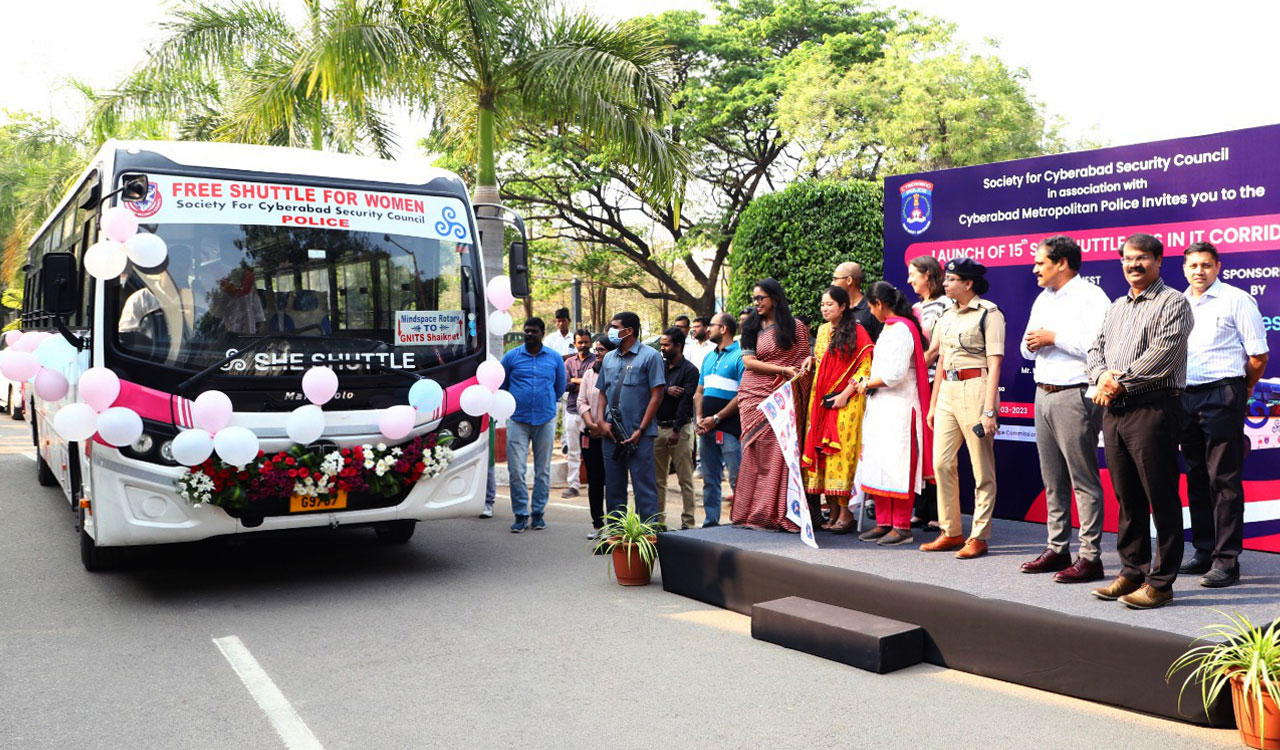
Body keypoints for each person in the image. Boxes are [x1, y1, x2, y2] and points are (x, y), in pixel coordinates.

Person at [1086, 233, 1193, 609]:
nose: (1134, 264)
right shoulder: (1116, 307)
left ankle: (1161, 582)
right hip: (1114, 412)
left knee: (1159, 496)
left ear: (1159, 261)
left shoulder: (1173, 302)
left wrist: (1117, 382)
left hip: (1153, 409)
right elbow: (1095, 349)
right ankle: (1132, 570)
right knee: (1127, 496)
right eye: (1128, 258)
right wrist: (1100, 377)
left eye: (1142, 258)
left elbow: (1164, 354)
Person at [1018, 236, 1112, 583]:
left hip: (1076, 394)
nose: (1035, 269)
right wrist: (1034, 343)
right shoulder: (1043, 297)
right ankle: (1058, 548)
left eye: (1040, 262)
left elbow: (1099, 348)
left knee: (1082, 478)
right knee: (1052, 479)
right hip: (1042, 392)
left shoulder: (1091, 297)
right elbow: (1027, 348)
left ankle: (1090, 556)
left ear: (1061, 263)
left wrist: (1054, 337)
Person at [1178, 241, 1269, 588]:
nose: (1198, 271)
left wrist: (1241, 390)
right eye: (1192, 265)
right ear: (1184, 269)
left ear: (1218, 267)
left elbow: (1258, 355)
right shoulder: (1179, 302)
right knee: (1197, 477)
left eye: (1205, 265)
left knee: (1224, 480)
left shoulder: (1236, 299)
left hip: (1222, 392)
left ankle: (1227, 561)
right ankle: (1203, 551)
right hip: (1185, 395)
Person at [921, 258, 1005, 559]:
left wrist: (989, 410)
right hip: (947, 391)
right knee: (942, 463)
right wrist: (933, 404)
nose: (945, 284)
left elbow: (995, 363)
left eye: (951, 279)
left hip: (976, 388)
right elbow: (941, 360)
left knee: (981, 468)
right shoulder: (946, 315)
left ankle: (979, 536)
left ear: (968, 283)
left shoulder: (989, 313)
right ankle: (951, 531)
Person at [856, 282, 933, 546]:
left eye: (870, 305)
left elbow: (896, 375)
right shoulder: (890, 329)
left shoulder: (901, 329)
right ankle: (884, 522)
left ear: (879, 303)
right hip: (884, 405)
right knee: (881, 462)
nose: (869, 310)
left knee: (899, 465)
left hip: (900, 406)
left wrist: (866, 383)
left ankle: (901, 527)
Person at [731, 279, 812, 531]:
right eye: (754, 298)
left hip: (785, 394)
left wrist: (802, 367)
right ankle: (750, 513)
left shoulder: (795, 326)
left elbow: (801, 360)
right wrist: (781, 369)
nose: (756, 303)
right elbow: (749, 363)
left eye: (761, 298)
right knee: (755, 452)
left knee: (780, 452)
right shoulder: (750, 327)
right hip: (754, 395)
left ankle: (774, 513)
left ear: (775, 298)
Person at [801, 286, 874, 533]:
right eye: (822, 304)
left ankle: (846, 512)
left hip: (848, 400)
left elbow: (864, 369)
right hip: (821, 399)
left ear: (843, 306)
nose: (824, 308)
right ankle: (831, 511)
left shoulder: (858, 332)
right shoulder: (821, 331)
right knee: (823, 453)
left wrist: (844, 395)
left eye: (830, 304)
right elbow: (822, 362)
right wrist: (811, 360)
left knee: (842, 453)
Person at [500, 317, 567, 533]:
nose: (529, 335)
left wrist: (543, 401)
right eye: (526, 331)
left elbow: (559, 388)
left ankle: (538, 513)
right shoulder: (511, 357)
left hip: (545, 419)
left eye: (534, 331)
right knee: (516, 470)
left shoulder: (555, 358)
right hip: (517, 419)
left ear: (542, 333)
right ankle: (520, 514)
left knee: (542, 471)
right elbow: (503, 385)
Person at [597, 312, 666, 522]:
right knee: (614, 491)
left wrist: (641, 430)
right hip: (611, 434)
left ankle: (648, 540)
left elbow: (657, 395)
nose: (610, 330)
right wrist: (600, 420)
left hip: (639, 436)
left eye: (615, 326)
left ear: (629, 330)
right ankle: (617, 539)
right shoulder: (608, 357)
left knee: (644, 490)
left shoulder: (650, 356)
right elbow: (602, 391)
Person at [906, 255, 950, 530]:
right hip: (915, 383)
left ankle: (938, 512)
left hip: (936, 383)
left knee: (937, 446)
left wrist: (919, 370)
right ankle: (920, 509)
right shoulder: (913, 308)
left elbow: (935, 350)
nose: (910, 280)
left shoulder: (945, 306)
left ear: (929, 275)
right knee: (919, 445)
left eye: (914, 274)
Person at [695, 312, 744, 527]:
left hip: (730, 429)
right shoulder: (708, 357)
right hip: (705, 429)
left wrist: (716, 418)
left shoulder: (740, 356)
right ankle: (710, 523)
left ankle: (742, 521)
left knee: (737, 478)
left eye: (711, 326)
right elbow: (699, 392)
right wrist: (699, 418)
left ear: (723, 329)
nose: (707, 330)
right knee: (710, 479)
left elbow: (742, 395)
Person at [655, 327, 701, 529]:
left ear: (678, 346)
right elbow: (652, 390)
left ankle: (688, 524)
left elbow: (685, 402)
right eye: (661, 344)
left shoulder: (690, 370)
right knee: (658, 480)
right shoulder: (659, 366)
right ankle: (657, 523)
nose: (662, 348)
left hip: (680, 430)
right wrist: (666, 390)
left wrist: (676, 429)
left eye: (666, 345)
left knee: (685, 480)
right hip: (657, 428)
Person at [577, 334, 617, 538]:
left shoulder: (618, 373)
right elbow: (581, 401)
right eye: (597, 350)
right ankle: (598, 525)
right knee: (594, 481)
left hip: (610, 435)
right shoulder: (589, 374)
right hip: (590, 433)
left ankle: (615, 526)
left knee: (612, 481)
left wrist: (603, 426)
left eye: (601, 350)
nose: (597, 354)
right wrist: (592, 424)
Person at [561, 329, 596, 499]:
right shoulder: (568, 363)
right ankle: (573, 485)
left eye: (586, 342)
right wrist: (580, 381)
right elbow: (565, 385)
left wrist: (575, 381)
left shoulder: (596, 361)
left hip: (592, 413)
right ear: (574, 344)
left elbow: (595, 384)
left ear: (590, 342)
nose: (583, 345)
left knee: (593, 452)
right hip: (572, 411)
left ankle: (595, 484)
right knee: (573, 450)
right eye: (580, 342)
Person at [833, 261, 884, 342]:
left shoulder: (872, 308)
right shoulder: (838, 309)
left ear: (849, 280)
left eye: (835, 279)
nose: (833, 283)